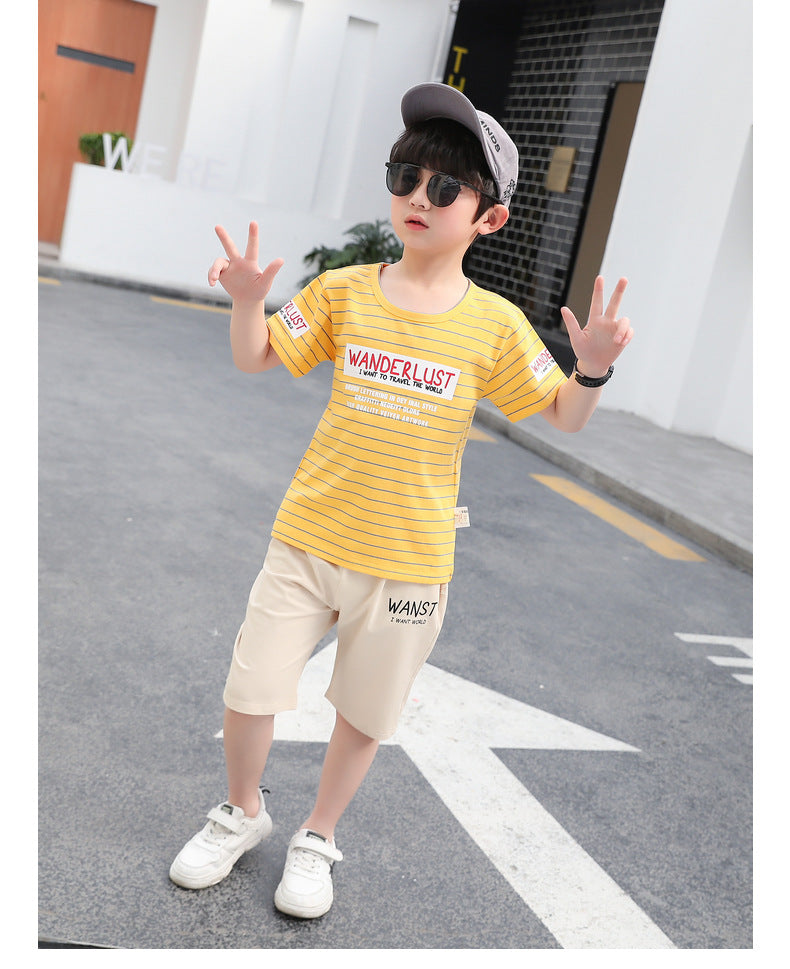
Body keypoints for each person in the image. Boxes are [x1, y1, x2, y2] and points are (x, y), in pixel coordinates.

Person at [169, 82, 632, 918]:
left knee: (364, 712)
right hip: (308, 538)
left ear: (489, 217)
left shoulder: (495, 326)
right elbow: (256, 356)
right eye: (405, 176)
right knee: (250, 688)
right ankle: (242, 811)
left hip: (409, 560)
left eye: (446, 187)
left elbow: (564, 413)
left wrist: (591, 366)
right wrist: (246, 303)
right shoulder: (344, 290)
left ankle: (317, 836)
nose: (419, 196)